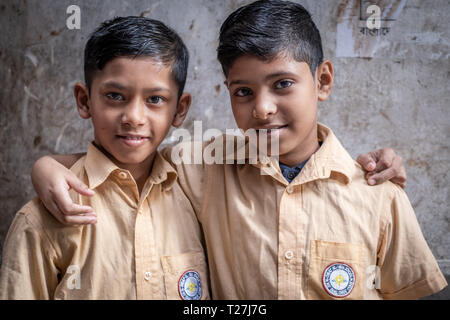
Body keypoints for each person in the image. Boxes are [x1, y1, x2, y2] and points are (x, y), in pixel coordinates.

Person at [28, 1, 431, 299]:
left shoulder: (379, 194)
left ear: (323, 80)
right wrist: (46, 165)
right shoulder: (207, 166)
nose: (262, 108)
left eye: (283, 84)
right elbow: (126, 161)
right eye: (243, 91)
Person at [0, 16, 210, 300]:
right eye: (115, 95)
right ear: (85, 101)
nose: (134, 117)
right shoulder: (43, 219)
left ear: (180, 109)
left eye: (155, 99)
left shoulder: (197, 195)